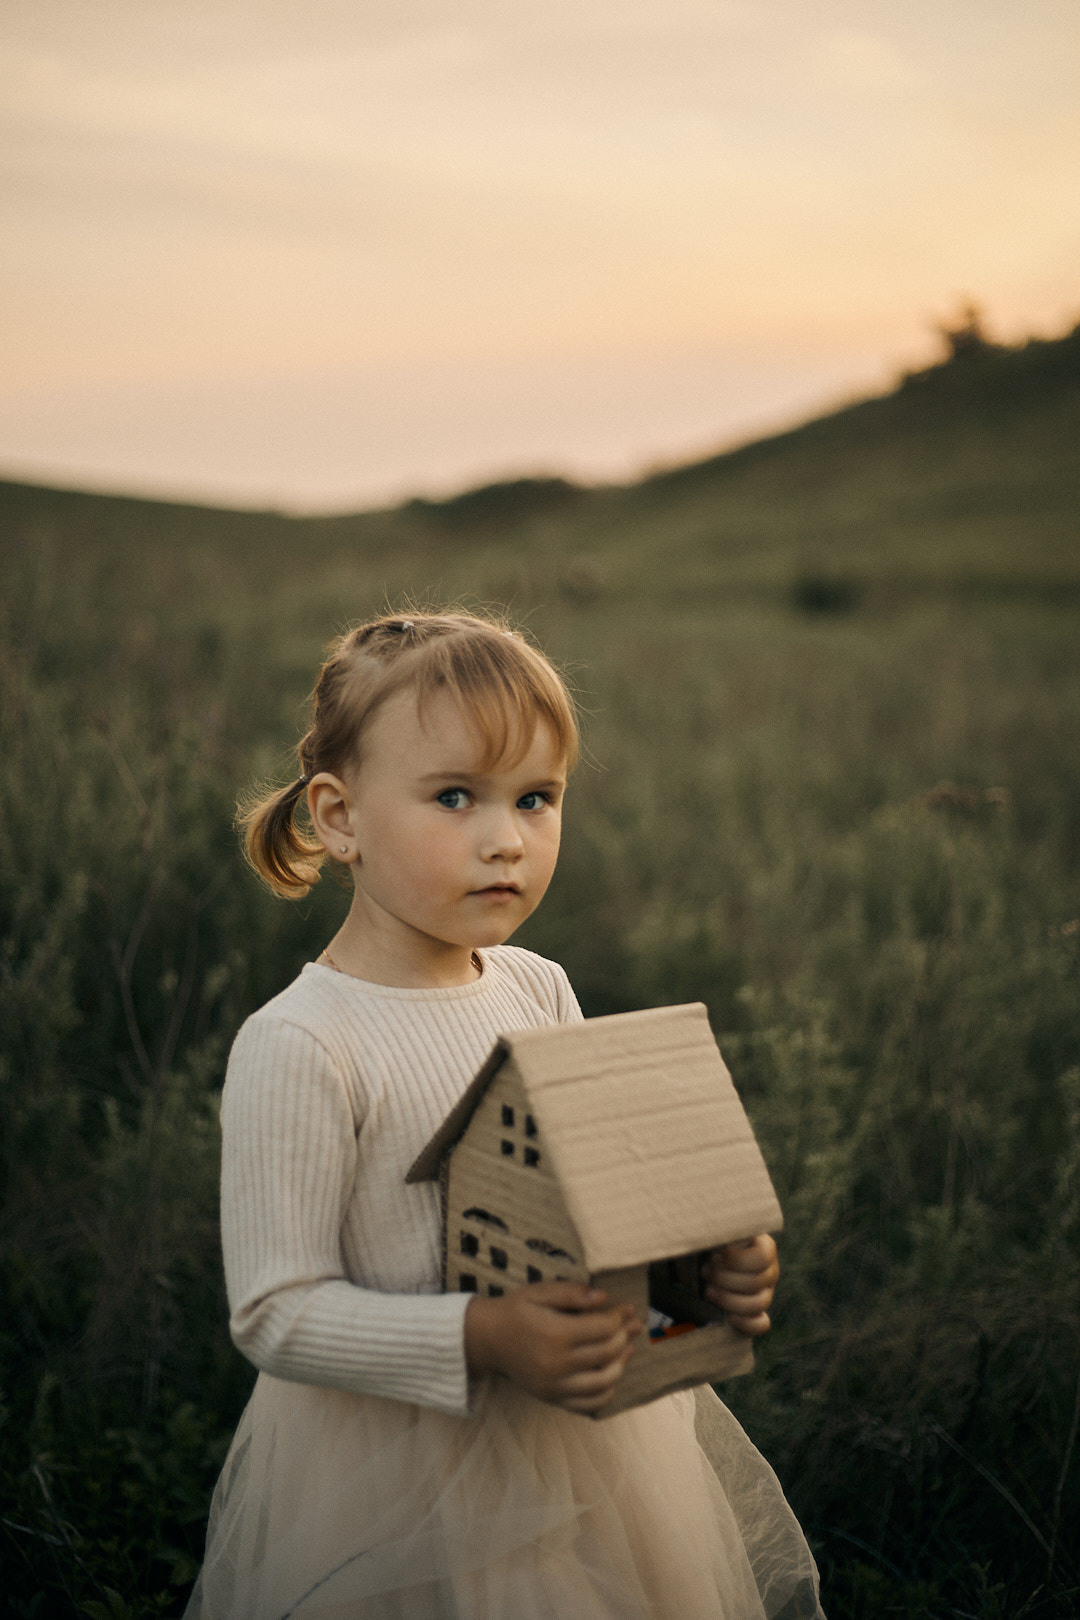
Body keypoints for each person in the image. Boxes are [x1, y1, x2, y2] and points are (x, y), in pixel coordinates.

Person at [185, 609, 824, 1619]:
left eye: (537, 798)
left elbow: (588, 1211)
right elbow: (275, 1311)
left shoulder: (538, 988)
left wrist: (695, 1274)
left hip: (582, 1452)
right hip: (392, 1484)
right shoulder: (304, 1042)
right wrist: (481, 1335)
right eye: (454, 797)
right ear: (339, 818)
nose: (505, 839)